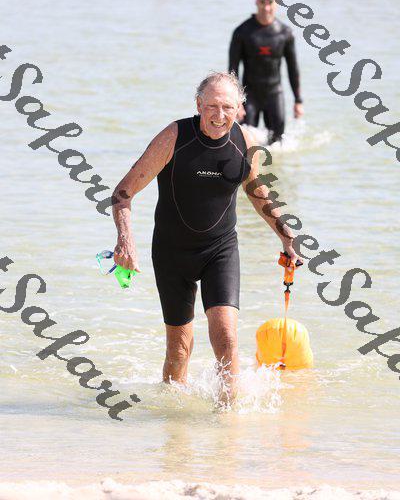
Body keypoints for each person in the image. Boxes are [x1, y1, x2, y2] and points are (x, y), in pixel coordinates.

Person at [112, 72, 301, 406]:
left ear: (240, 108)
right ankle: (174, 426)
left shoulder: (244, 141)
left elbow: (255, 190)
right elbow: (122, 193)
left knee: (226, 337)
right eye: (211, 106)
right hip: (172, 253)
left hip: (220, 250)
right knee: (178, 350)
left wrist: (286, 236)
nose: (219, 114)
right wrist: (125, 241)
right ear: (198, 105)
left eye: (227, 106)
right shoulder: (174, 137)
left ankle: (228, 418)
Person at [229, 0, 304, 145]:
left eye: (270, 2)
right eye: (262, 2)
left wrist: (298, 101)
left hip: (274, 93)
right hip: (249, 96)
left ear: (276, 3)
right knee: (245, 141)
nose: (266, 7)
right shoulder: (242, 32)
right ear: (256, 2)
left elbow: (293, 69)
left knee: (278, 142)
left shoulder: (285, 33)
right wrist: (237, 102)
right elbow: (233, 70)